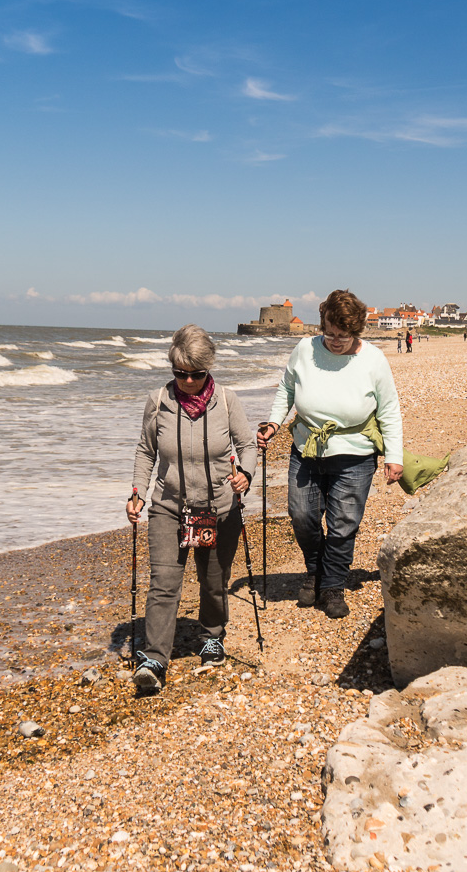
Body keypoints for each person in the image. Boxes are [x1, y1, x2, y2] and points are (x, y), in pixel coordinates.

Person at [258, 290, 403, 619]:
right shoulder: (304, 349)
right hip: (306, 447)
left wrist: (394, 456)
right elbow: (287, 389)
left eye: (344, 335)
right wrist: (273, 423)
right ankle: (315, 569)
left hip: (355, 453)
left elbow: (390, 410)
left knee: (343, 524)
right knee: (301, 516)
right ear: (322, 323)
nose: (335, 341)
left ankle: (333, 584)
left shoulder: (373, 360)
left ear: (357, 331)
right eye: (330, 333)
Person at [127, 325, 255, 693]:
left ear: (208, 369)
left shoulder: (228, 402)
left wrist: (245, 474)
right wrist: (137, 492)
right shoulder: (157, 402)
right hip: (169, 507)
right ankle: (154, 658)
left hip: (218, 508)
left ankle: (212, 635)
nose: (187, 381)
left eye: (195, 374)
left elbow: (246, 444)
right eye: (179, 373)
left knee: (213, 583)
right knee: (164, 584)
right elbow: (146, 451)